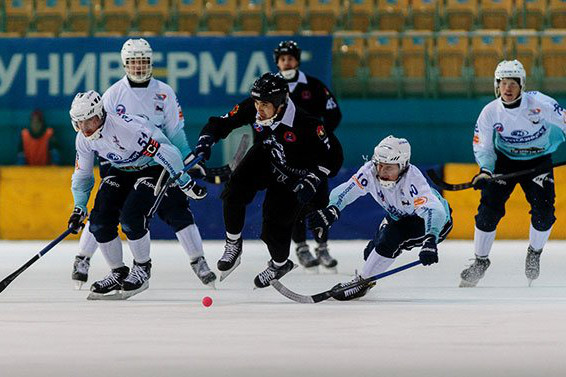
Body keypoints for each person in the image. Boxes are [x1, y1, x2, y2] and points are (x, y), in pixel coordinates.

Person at [71, 38, 216, 289]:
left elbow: (174, 134)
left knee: (166, 212)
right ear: (125, 64)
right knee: (101, 215)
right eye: (133, 62)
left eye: (143, 62)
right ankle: (96, 262)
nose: (138, 67)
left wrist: (184, 168)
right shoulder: (112, 95)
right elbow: (93, 155)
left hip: (155, 162)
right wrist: (78, 207)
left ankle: (193, 261)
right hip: (118, 163)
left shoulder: (164, 93)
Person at [194, 72, 343, 288]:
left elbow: (334, 156)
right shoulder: (256, 107)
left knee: (274, 229)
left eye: (264, 104)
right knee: (234, 190)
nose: (258, 109)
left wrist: (313, 178)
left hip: (295, 175)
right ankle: (233, 243)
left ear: (280, 104)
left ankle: (279, 264)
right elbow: (221, 123)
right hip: (267, 155)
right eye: (256, 102)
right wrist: (206, 141)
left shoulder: (306, 123)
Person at [68, 90, 203, 300]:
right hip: (122, 168)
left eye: (88, 122)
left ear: (99, 115)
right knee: (98, 221)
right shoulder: (83, 139)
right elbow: (83, 175)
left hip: (152, 167)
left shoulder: (125, 130)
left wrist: (184, 182)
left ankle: (142, 268)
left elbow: (168, 153)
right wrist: (79, 207)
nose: (84, 129)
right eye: (79, 123)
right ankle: (118, 272)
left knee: (131, 218)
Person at [307, 136, 453, 300]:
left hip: (430, 222)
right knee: (371, 254)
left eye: (389, 168)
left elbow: (434, 211)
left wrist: (430, 239)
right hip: (398, 215)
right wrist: (332, 209)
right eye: (380, 165)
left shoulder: (413, 181)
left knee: (389, 241)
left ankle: (362, 283)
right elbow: (347, 189)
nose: (382, 172)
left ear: (403, 166)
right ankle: (368, 276)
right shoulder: (370, 170)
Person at [460, 59, 566, 287]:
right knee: (488, 213)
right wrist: (486, 171)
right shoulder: (489, 112)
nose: (507, 89)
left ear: (522, 85)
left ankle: (534, 253)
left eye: (513, 84)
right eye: (503, 83)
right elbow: (484, 146)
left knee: (544, 213)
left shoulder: (541, 103)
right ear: (496, 85)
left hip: (538, 161)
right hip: (504, 163)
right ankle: (480, 262)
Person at [274, 40, 343, 271]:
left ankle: (322, 247)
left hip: (315, 156)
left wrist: (321, 136)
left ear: (297, 61)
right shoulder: (271, 87)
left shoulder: (313, 86)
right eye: (283, 59)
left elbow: (334, 113)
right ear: (277, 62)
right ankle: (301, 248)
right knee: (295, 203)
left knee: (319, 200)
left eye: (290, 58)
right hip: (287, 158)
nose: (287, 63)